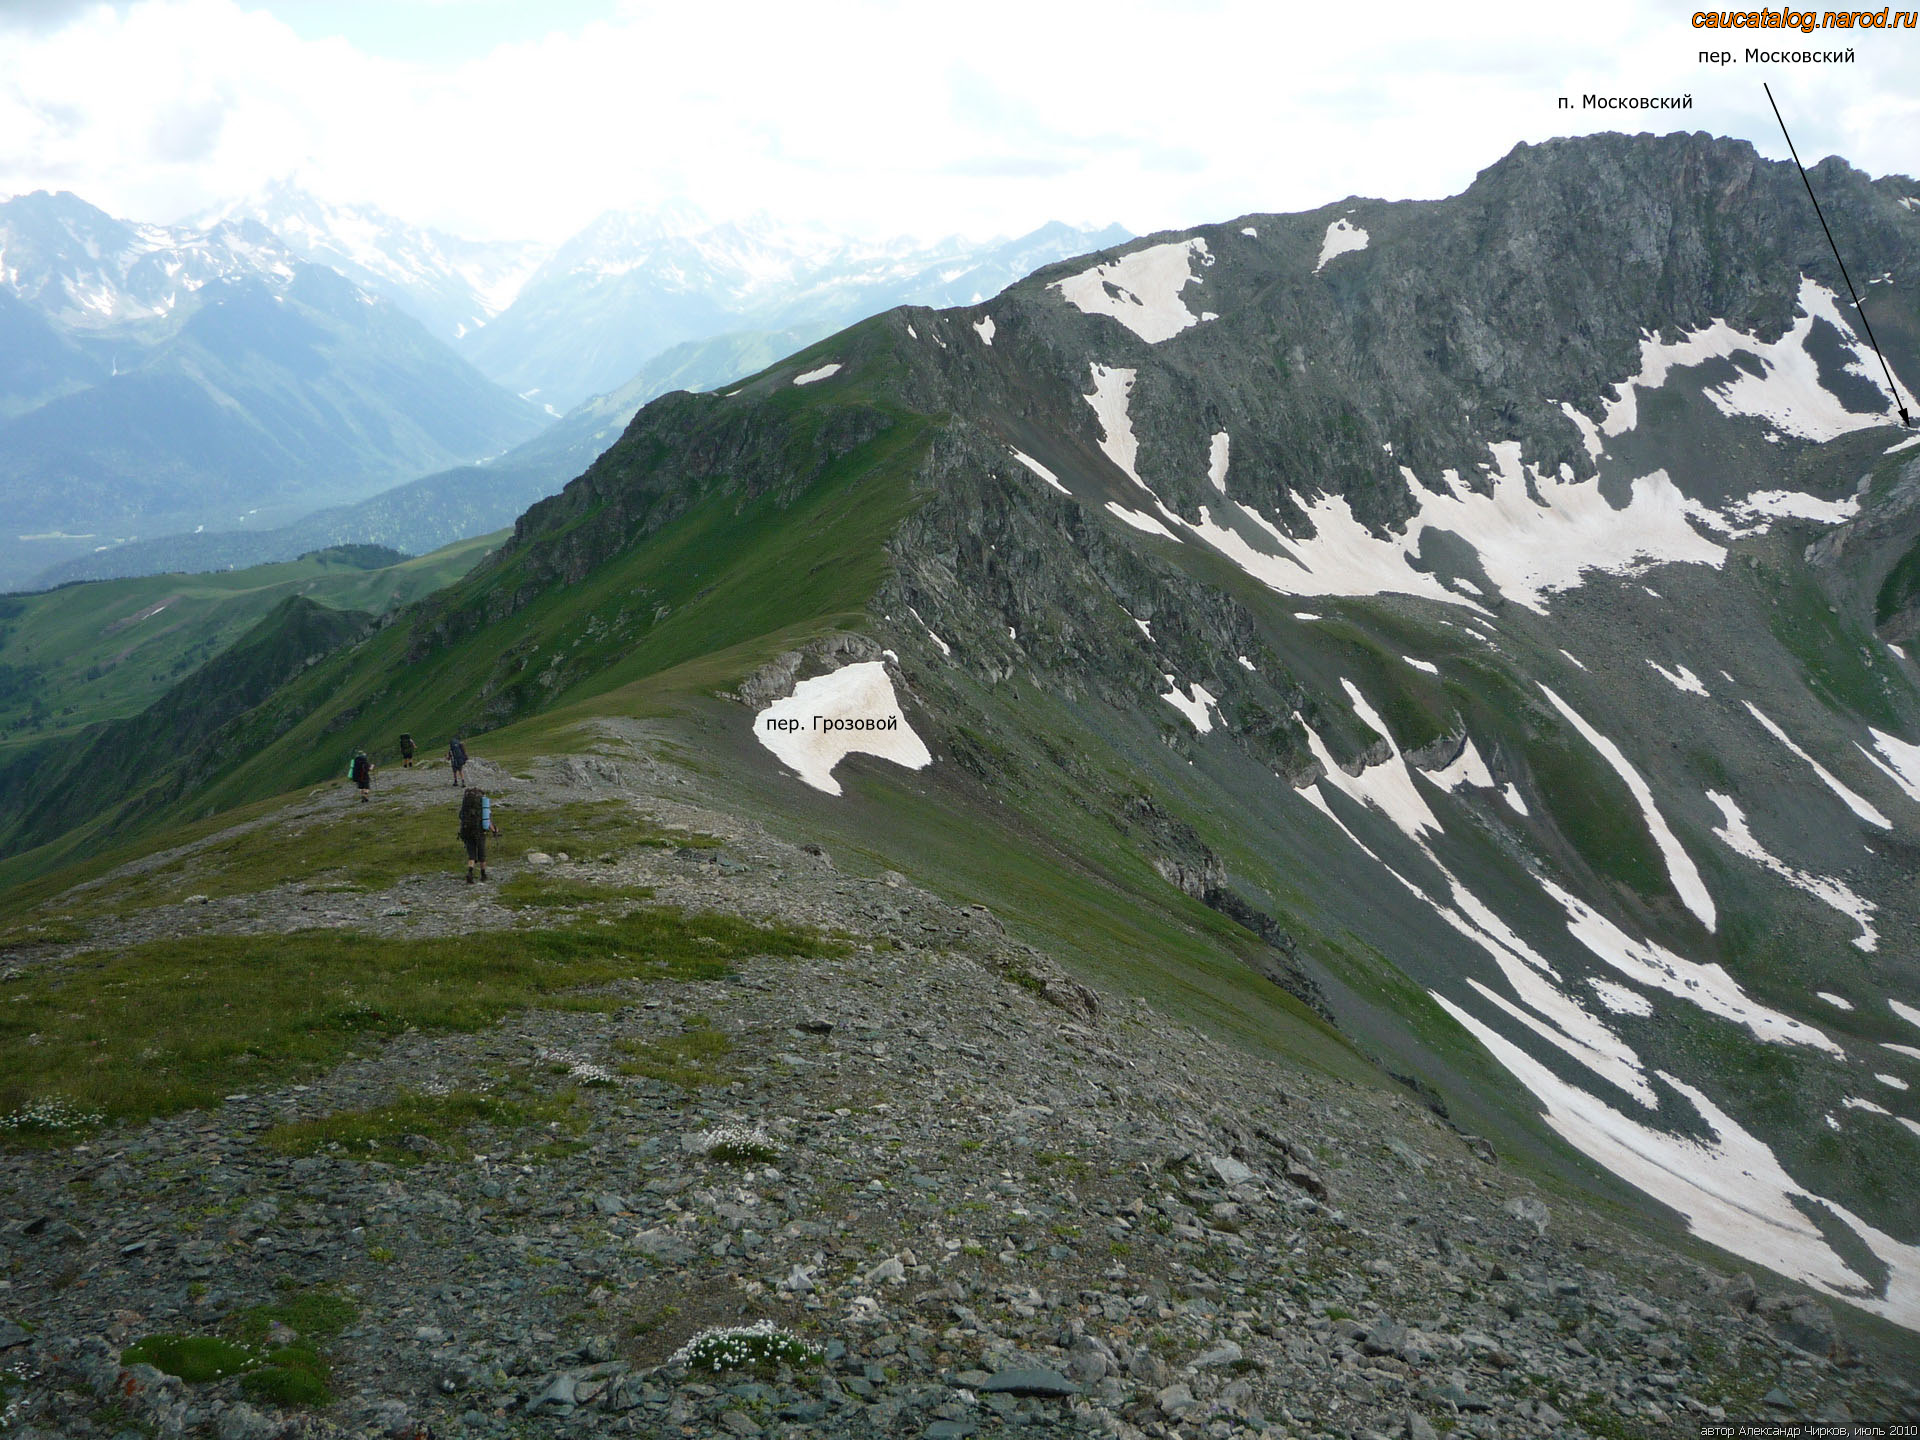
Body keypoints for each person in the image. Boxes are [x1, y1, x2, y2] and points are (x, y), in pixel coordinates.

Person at [458, 786, 498, 883]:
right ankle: (483, 874)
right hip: (479, 832)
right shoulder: (483, 807)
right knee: (482, 854)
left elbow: (460, 816)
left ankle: (470, 873)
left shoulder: (466, 806)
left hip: (466, 831)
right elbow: (487, 821)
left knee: (471, 854)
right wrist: (494, 830)